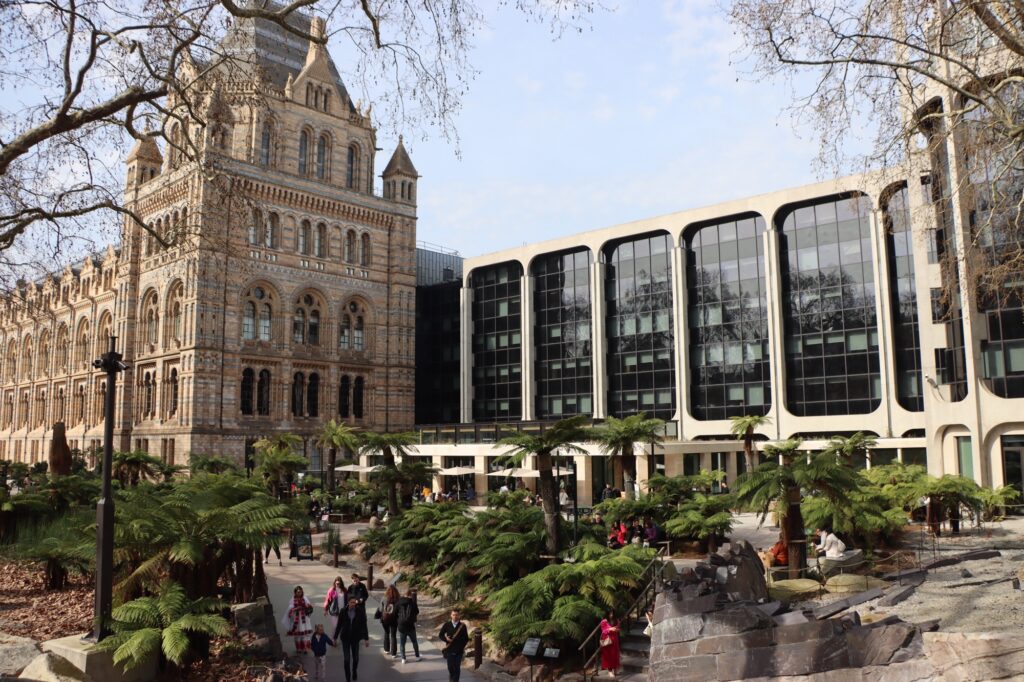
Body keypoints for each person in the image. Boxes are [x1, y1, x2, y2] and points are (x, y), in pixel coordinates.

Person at [333, 596, 370, 682]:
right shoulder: (343, 611)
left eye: (354, 602)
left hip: (355, 638)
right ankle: (348, 678)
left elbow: (364, 625)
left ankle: (354, 671)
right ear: (348, 602)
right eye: (352, 602)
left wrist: (366, 638)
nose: (353, 604)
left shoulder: (360, 612)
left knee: (356, 658)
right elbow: (339, 625)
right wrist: (335, 637)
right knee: (346, 659)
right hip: (345, 638)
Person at [439, 608, 469, 682]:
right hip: (449, 650)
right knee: (450, 667)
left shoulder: (462, 626)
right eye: (453, 615)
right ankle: (452, 678)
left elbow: (466, 639)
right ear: (451, 615)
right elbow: (440, 635)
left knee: (457, 668)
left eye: (456, 615)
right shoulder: (447, 624)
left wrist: (461, 647)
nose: (455, 616)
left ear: (459, 616)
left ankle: (455, 680)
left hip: (459, 651)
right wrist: (446, 639)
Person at [284, 585, 314, 654]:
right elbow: (290, 609)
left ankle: (305, 648)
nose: (299, 593)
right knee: (297, 635)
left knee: (305, 634)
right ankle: (299, 648)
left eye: (300, 592)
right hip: (296, 619)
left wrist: (308, 607)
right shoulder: (292, 599)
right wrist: (295, 609)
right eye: (297, 592)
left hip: (304, 619)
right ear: (295, 593)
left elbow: (309, 606)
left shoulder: (305, 598)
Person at [396, 588, 421, 664]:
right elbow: (417, 612)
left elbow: (395, 612)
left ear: (404, 594)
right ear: (410, 595)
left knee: (402, 643)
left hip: (401, 625)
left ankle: (403, 658)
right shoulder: (413, 603)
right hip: (410, 625)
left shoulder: (399, 602)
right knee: (414, 641)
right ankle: (417, 656)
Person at [599, 610, 622, 677]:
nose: (611, 615)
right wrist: (610, 629)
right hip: (608, 640)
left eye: (612, 613)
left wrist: (617, 629)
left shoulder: (616, 620)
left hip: (615, 639)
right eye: (610, 614)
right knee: (609, 655)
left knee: (615, 654)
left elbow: (618, 628)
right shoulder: (604, 621)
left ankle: (615, 669)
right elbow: (603, 631)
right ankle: (610, 670)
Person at [380, 584, 400, 657]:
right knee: (393, 635)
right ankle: (394, 653)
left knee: (386, 633)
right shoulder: (398, 599)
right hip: (394, 619)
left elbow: (380, 609)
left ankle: (386, 649)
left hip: (385, 619)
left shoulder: (384, 598)